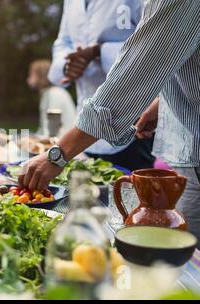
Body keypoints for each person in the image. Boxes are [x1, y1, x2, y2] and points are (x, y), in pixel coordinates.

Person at [20, 0, 200, 246]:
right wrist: (162, 103)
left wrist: (58, 154)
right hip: (170, 140)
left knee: (185, 263)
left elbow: (138, 67)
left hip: (178, 149)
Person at [48, 0, 155, 171]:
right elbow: (63, 43)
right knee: (83, 195)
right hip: (82, 132)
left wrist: (99, 52)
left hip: (133, 130)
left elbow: (154, 46)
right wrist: (67, 64)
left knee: (132, 195)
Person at [27, 59, 76, 137]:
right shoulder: (47, 93)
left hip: (64, 144)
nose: (28, 79)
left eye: (31, 74)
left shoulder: (55, 94)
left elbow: (51, 132)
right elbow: (43, 129)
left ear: (41, 75)